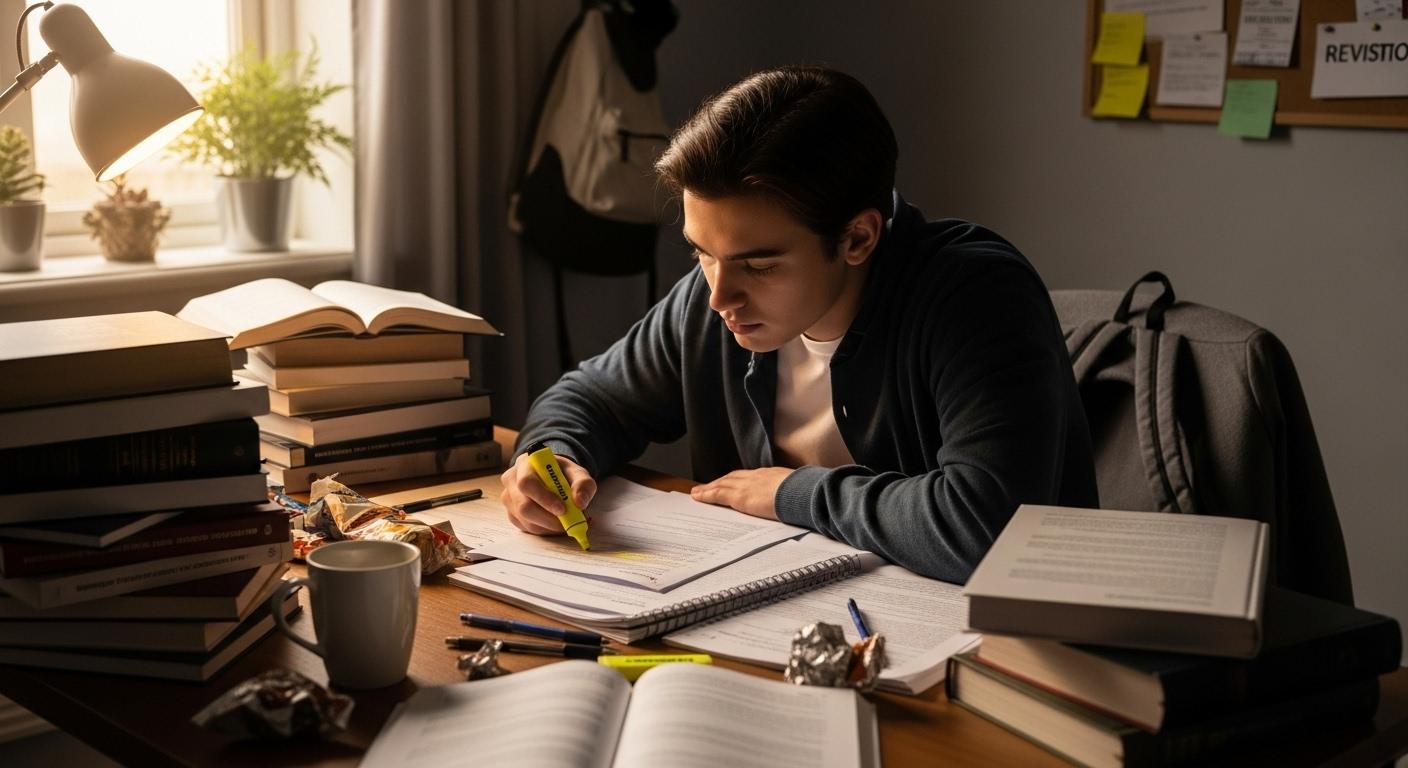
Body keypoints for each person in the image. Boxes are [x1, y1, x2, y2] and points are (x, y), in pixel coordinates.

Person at [500, 65, 1097, 582]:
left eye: (759, 265)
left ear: (858, 237)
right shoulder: (711, 299)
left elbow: (988, 527)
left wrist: (791, 492)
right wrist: (552, 459)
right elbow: (590, 399)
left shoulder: (977, 296)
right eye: (700, 253)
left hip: (983, 668)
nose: (718, 297)